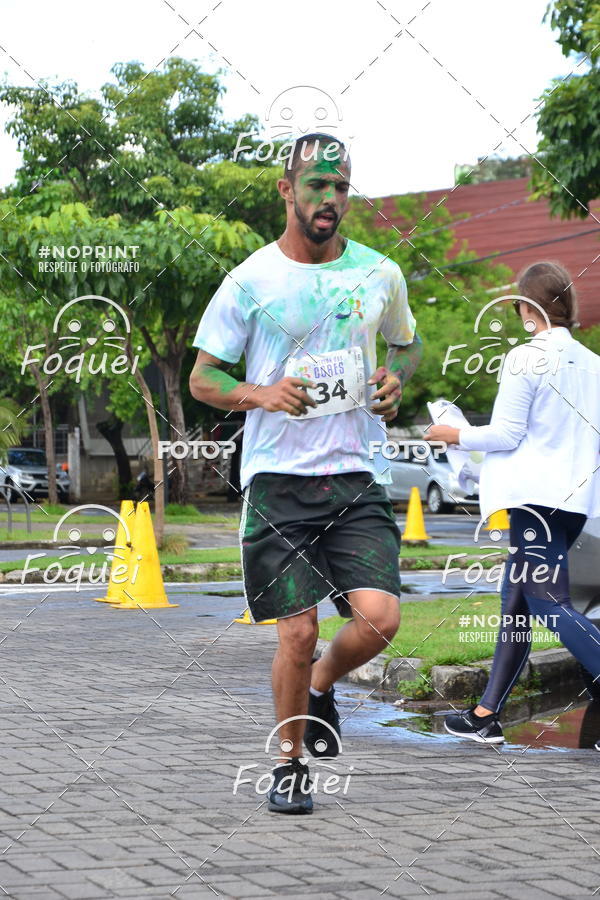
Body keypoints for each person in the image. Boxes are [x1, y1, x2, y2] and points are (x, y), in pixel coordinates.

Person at [189, 133, 422, 811]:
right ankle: (289, 762)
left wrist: (394, 381)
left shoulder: (380, 273)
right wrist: (260, 394)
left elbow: (405, 348)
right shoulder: (250, 280)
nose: (331, 198)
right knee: (297, 629)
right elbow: (203, 379)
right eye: (318, 185)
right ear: (286, 190)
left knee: (380, 619)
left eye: (342, 186)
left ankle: (321, 686)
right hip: (278, 482)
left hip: (356, 474)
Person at [428, 261, 600, 745]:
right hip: (571, 503)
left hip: (534, 505)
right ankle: (485, 715)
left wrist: (452, 432)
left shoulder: (525, 357)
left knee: (548, 604)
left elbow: (506, 434)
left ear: (528, 308)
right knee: (517, 604)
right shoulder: (592, 363)